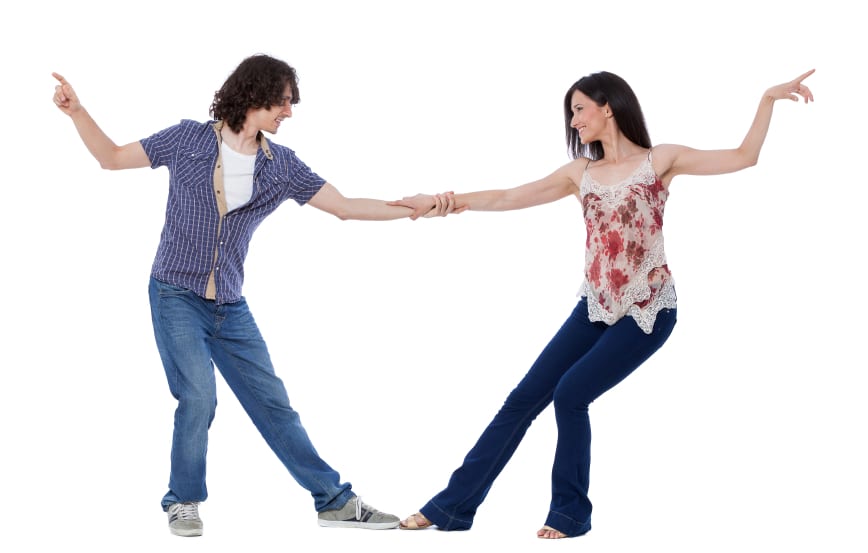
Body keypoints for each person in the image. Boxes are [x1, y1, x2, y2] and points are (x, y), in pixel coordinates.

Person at [392, 69, 815, 539]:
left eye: (578, 109)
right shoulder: (581, 174)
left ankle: (569, 515)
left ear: (607, 106)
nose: (573, 121)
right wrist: (441, 201)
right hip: (595, 308)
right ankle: (451, 508)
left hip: (648, 311)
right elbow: (510, 195)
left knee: (571, 394)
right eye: (570, 114)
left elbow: (744, 156)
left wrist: (767, 99)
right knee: (522, 400)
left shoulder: (661, 160)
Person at [51, 53, 445, 537]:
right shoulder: (188, 139)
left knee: (274, 404)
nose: (289, 113)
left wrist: (412, 208)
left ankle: (333, 502)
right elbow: (111, 158)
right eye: (283, 102)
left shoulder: (281, 166)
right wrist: (77, 112)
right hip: (175, 293)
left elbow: (344, 207)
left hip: (230, 306)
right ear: (253, 95)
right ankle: (184, 500)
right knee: (198, 395)